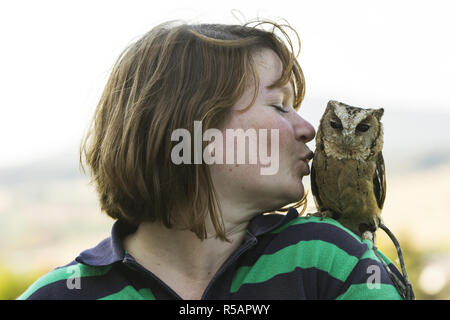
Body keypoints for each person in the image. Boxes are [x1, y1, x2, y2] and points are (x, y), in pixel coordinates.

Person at [18, 19, 403, 300]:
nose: (308, 129)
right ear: (196, 129)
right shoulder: (62, 294)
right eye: (280, 106)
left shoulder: (332, 258)